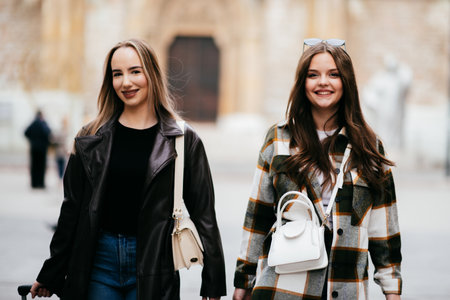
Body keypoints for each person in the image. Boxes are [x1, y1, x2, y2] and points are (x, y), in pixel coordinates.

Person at [30, 38, 227, 300]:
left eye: (135, 71)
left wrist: (213, 284)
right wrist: (51, 272)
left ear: (152, 75)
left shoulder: (183, 140)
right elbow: (71, 211)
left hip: (154, 263)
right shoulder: (90, 137)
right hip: (98, 263)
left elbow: (205, 216)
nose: (126, 82)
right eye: (117, 74)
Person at [233, 40, 402, 300]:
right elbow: (257, 214)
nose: (323, 82)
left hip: (345, 286)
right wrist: (243, 281)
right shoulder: (278, 138)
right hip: (282, 288)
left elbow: (383, 229)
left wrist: (392, 291)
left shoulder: (368, 146)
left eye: (333, 74)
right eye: (313, 75)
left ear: (347, 82)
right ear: (302, 83)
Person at [24, 110, 52, 188]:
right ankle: (41, 183)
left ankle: (34, 183)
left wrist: (32, 140)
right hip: (43, 149)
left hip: (34, 148)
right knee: (41, 166)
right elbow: (49, 132)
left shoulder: (33, 123)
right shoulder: (43, 123)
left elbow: (26, 132)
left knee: (34, 166)